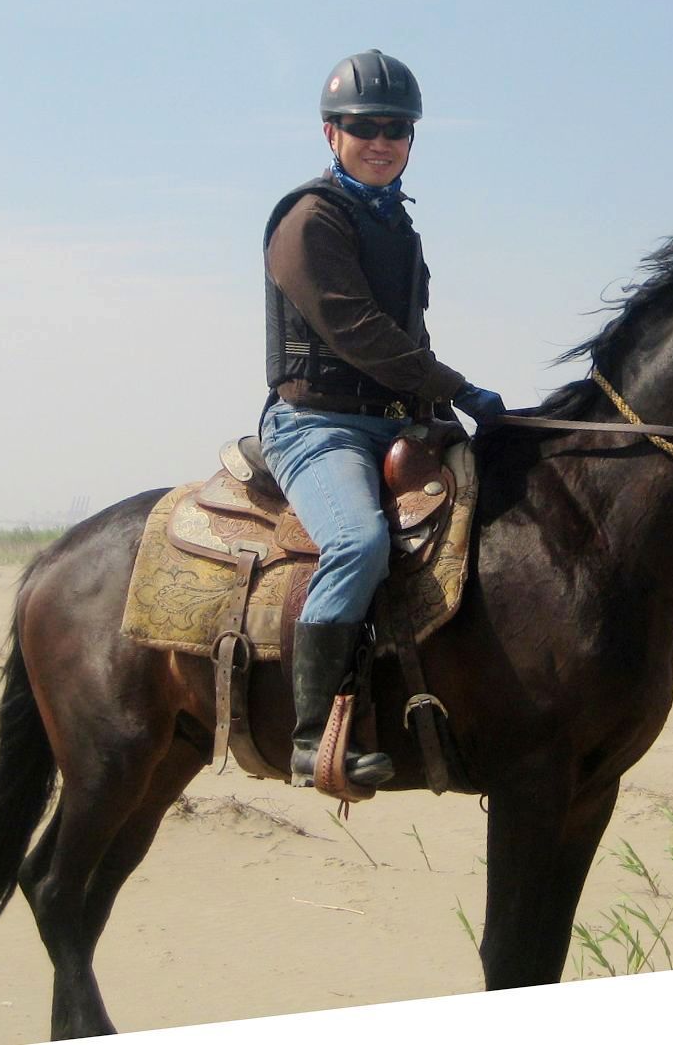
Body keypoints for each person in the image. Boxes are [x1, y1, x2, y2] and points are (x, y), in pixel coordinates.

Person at [260, 48, 505, 789]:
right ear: (329, 133)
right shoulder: (308, 220)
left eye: (395, 128)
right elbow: (358, 331)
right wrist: (460, 388)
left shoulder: (396, 224)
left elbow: (410, 338)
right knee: (360, 540)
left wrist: (449, 412)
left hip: (397, 420)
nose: (381, 140)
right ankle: (310, 737)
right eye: (364, 126)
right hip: (318, 426)